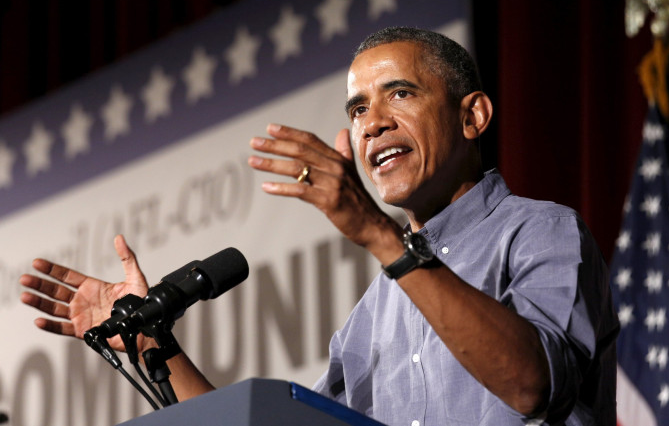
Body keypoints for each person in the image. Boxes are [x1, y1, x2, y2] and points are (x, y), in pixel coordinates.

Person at [20, 27, 619, 425]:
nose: (372, 124)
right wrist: (155, 349)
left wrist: (382, 237)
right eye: (358, 109)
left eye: (400, 94)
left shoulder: (542, 232)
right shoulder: (369, 317)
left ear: (472, 115)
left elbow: (530, 386)